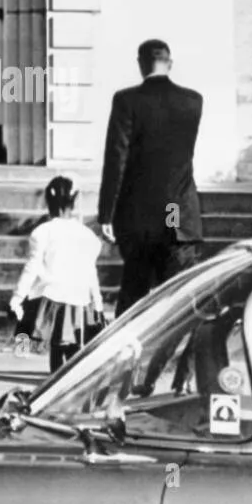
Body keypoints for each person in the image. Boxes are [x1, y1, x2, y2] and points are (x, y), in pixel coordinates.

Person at [97, 38, 204, 317]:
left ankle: (124, 356)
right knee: (178, 298)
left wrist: (106, 213)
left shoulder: (126, 100)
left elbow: (116, 158)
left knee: (133, 296)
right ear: (170, 63)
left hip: (139, 217)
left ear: (141, 64)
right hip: (176, 213)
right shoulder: (192, 101)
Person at [9, 176, 106, 372]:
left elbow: (32, 268)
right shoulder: (88, 235)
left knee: (48, 339)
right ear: (75, 201)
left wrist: (17, 297)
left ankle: (23, 351)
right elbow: (91, 273)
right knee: (71, 346)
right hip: (78, 301)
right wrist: (98, 304)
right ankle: (66, 381)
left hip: (51, 301)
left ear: (48, 202)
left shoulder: (42, 232)